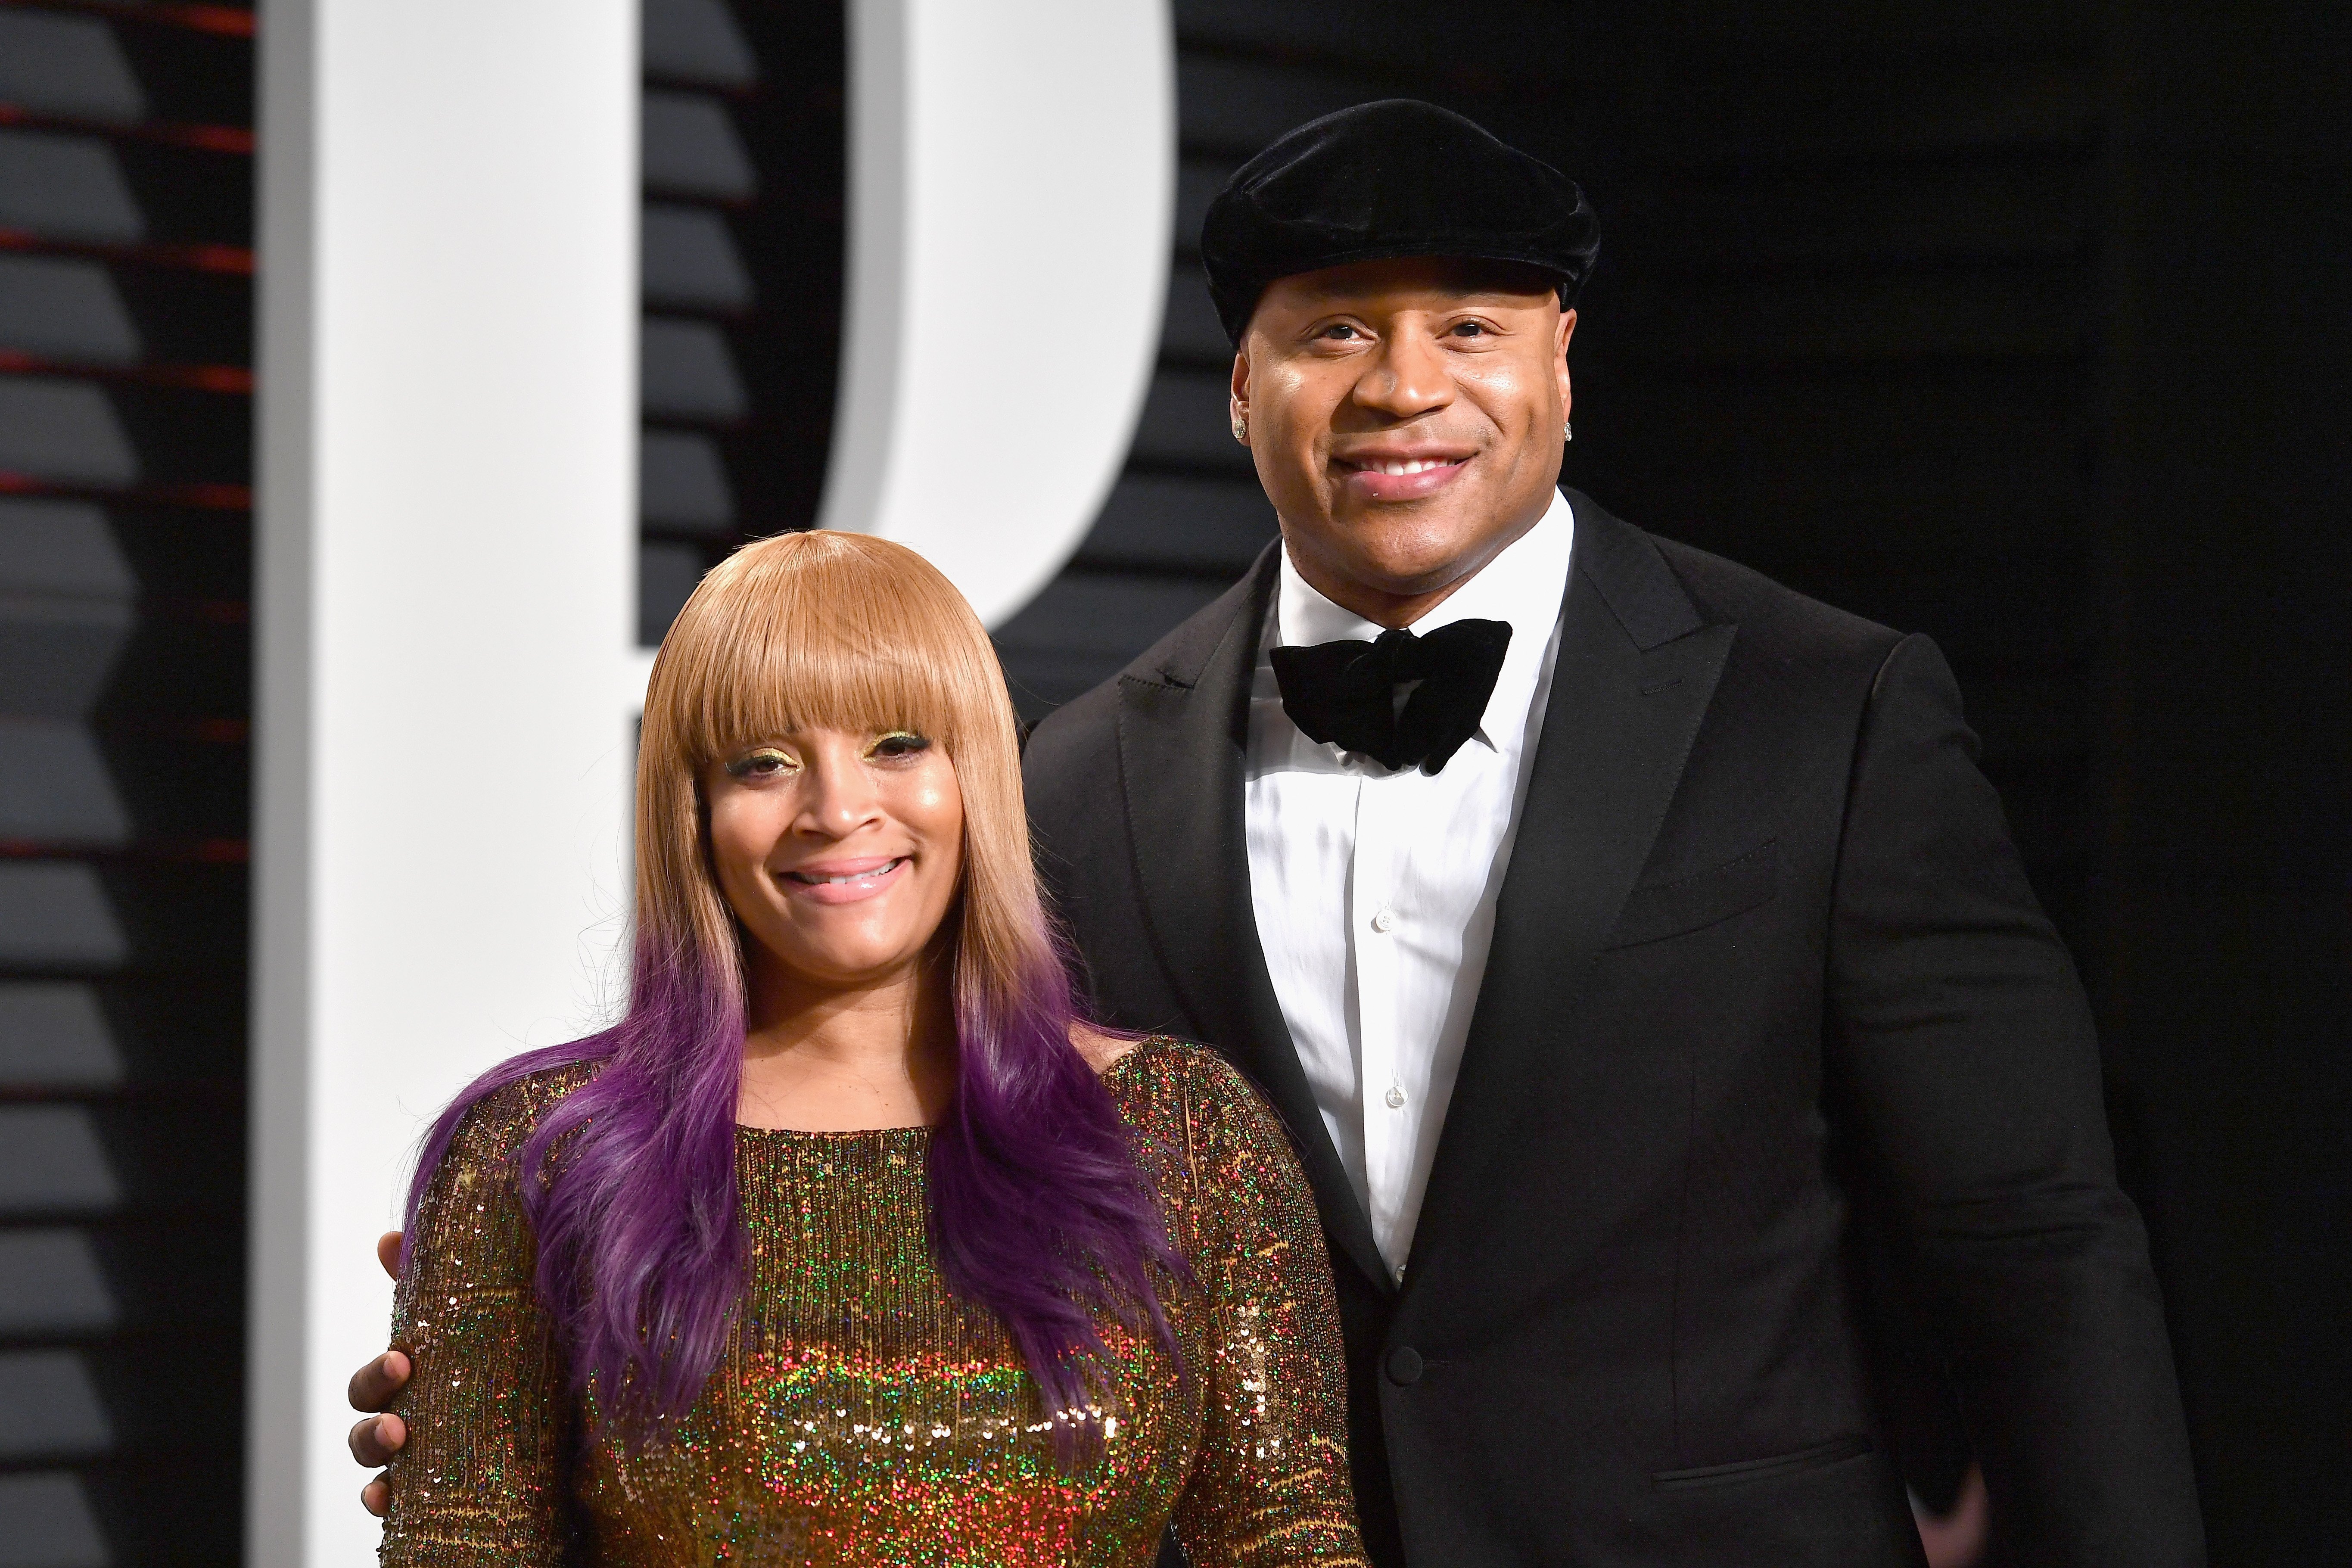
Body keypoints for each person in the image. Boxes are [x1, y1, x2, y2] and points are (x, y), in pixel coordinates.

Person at [353, 100, 2204, 1565]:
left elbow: (2034, 1240)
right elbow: (925, 1210)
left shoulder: (1832, 709)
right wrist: (578, 1369)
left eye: (1467, 327)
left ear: (1563, 359)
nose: (1404, 387)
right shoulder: (1067, 786)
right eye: (1332, 335)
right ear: (1244, 388)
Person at [367, 531, 1366, 1566]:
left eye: (897, 742)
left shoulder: (1187, 1129)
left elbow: (1286, 1536)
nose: (838, 809)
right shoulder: (539, 1150)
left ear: (976, 769)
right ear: (695, 810)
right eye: (763, 761)